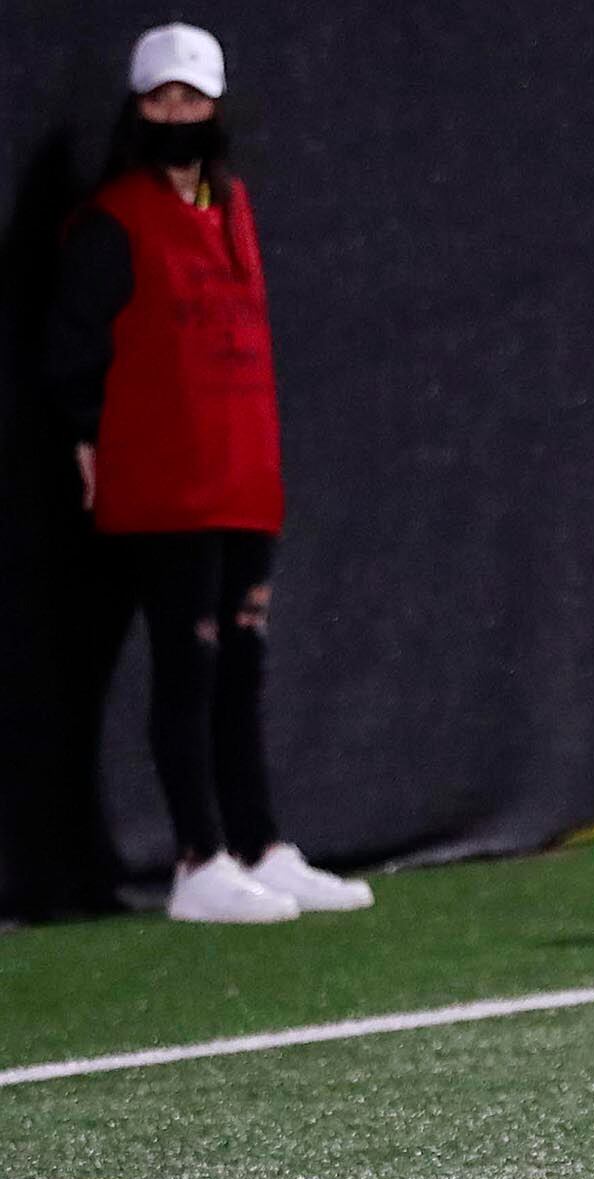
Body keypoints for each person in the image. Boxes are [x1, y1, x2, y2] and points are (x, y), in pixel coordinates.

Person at [44, 24, 369, 924]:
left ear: (217, 107)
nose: (176, 112)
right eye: (161, 98)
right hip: (166, 485)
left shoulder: (233, 209)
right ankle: (199, 859)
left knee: (241, 671)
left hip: (242, 477)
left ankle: (259, 845)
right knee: (187, 670)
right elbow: (71, 348)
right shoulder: (112, 221)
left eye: (191, 97)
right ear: (137, 108)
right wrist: (84, 437)